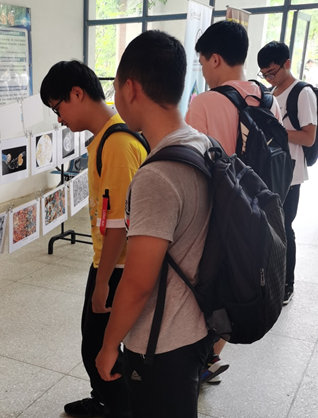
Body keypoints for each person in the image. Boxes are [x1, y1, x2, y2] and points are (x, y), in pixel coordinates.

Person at [95, 30, 214, 418]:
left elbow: (138, 282)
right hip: (198, 323)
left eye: (114, 88)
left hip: (160, 345)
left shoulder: (157, 176)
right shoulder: (202, 144)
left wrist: (108, 345)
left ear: (130, 88)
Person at [41, 60, 148, 418]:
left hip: (117, 266)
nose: (59, 119)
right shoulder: (107, 138)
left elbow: (119, 224)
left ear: (77, 93)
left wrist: (102, 283)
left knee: (100, 350)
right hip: (108, 261)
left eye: (58, 108)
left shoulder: (116, 144)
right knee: (95, 343)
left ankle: (118, 409)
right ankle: (105, 401)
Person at [184, 20, 282, 384]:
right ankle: (212, 356)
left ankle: (193, 363)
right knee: (237, 282)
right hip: (256, 210)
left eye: (202, 62)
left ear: (214, 59)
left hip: (215, 214)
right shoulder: (266, 99)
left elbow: (191, 168)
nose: (203, 71)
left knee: (204, 288)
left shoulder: (206, 102)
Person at [258, 42, 317, 305]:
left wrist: (276, 132)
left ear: (287, 63)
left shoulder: (302, 93)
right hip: (271, 172)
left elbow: (308, 137)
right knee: (270, 228)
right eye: (264, 74)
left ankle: (287, 283)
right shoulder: (271, 92)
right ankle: (271, 278)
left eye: (272, 72)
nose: (268, 78)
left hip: (291, 174)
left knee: (285, 228)